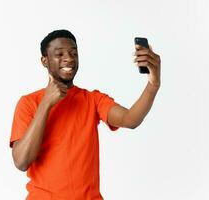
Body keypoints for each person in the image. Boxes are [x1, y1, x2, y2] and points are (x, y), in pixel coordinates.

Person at [9, 29, 161, 200]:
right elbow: (21, 161)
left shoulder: (92, 99)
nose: (69, 58)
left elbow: (131, 119)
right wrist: (46, 104)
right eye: (59, 53)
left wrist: (153, 84)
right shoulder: (29, 103)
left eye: (74, 53)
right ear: (44, 60)